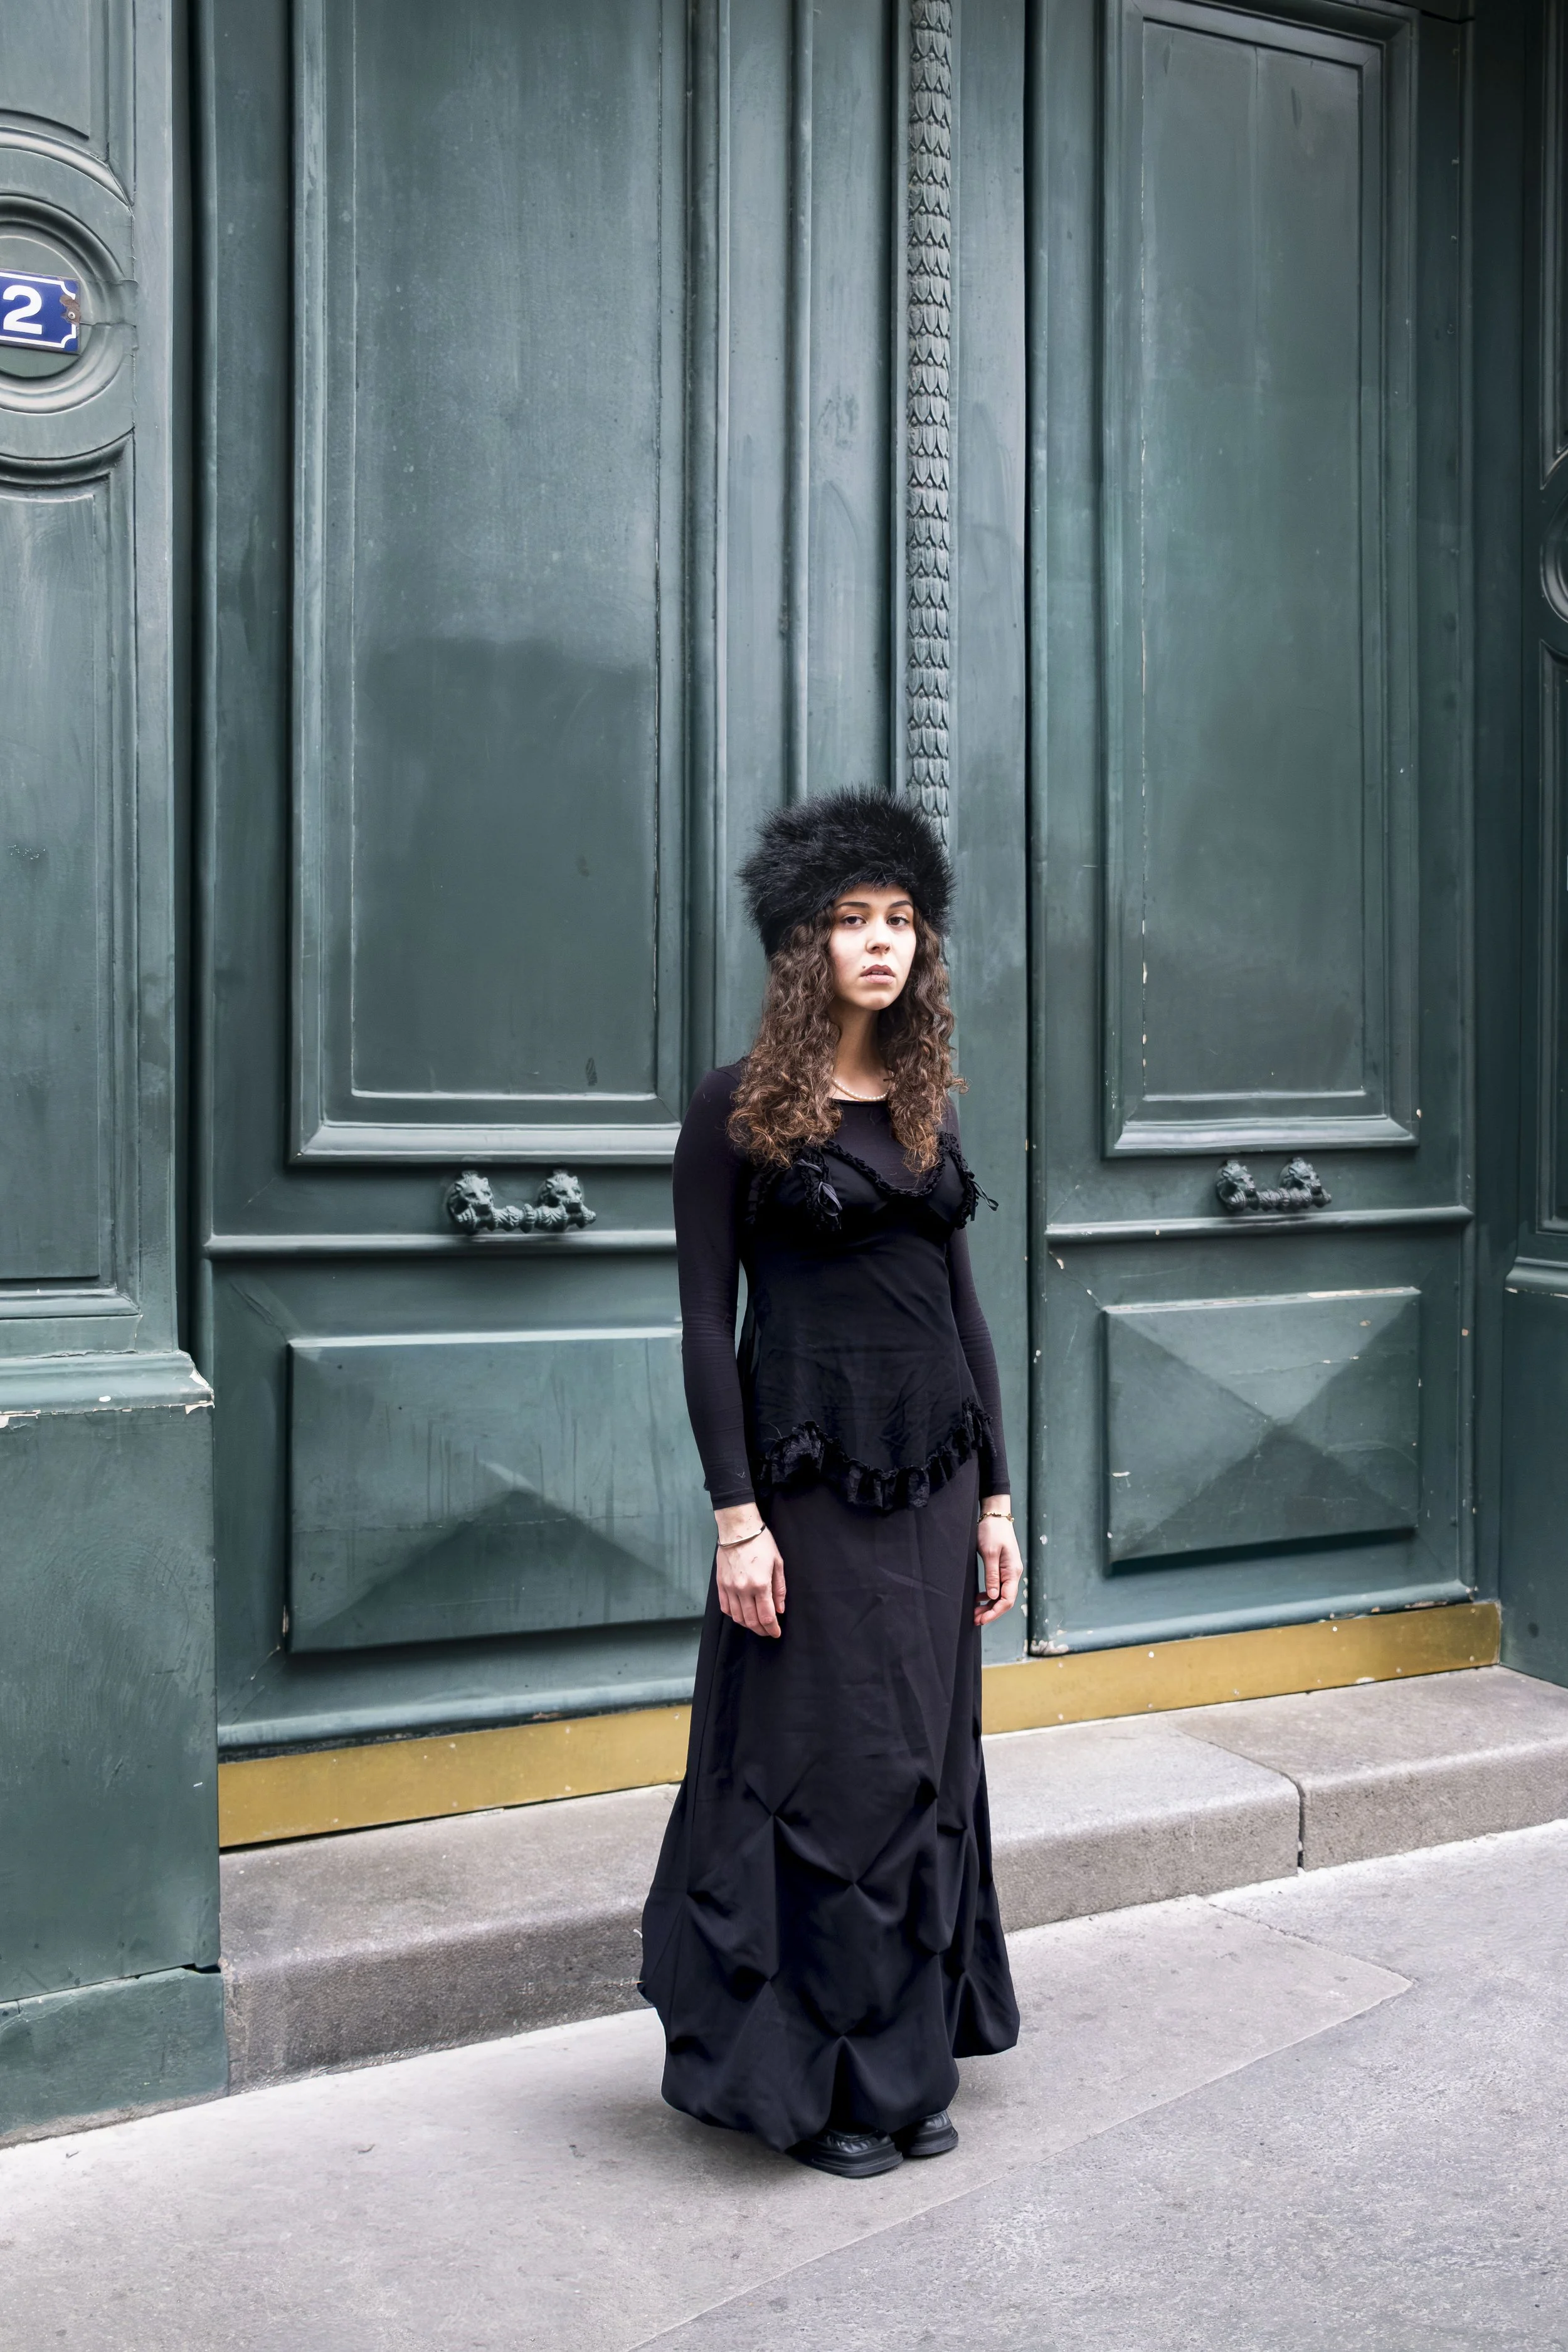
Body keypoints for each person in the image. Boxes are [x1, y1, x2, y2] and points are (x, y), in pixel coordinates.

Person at [639, 789, 1022, 2179]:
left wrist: (994, 1498)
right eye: (854, 921)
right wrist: (733, 1515)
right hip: (801, 1485)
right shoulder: (733, 1109)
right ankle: (811, 2081)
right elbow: (700, 1320)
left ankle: (905, 2068)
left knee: (921, 1762)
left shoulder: (924, 1107)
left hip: (928, 1480)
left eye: (901, 922)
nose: (881, 945)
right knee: (826, 1769)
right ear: (806, 944)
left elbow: (961, 1311)